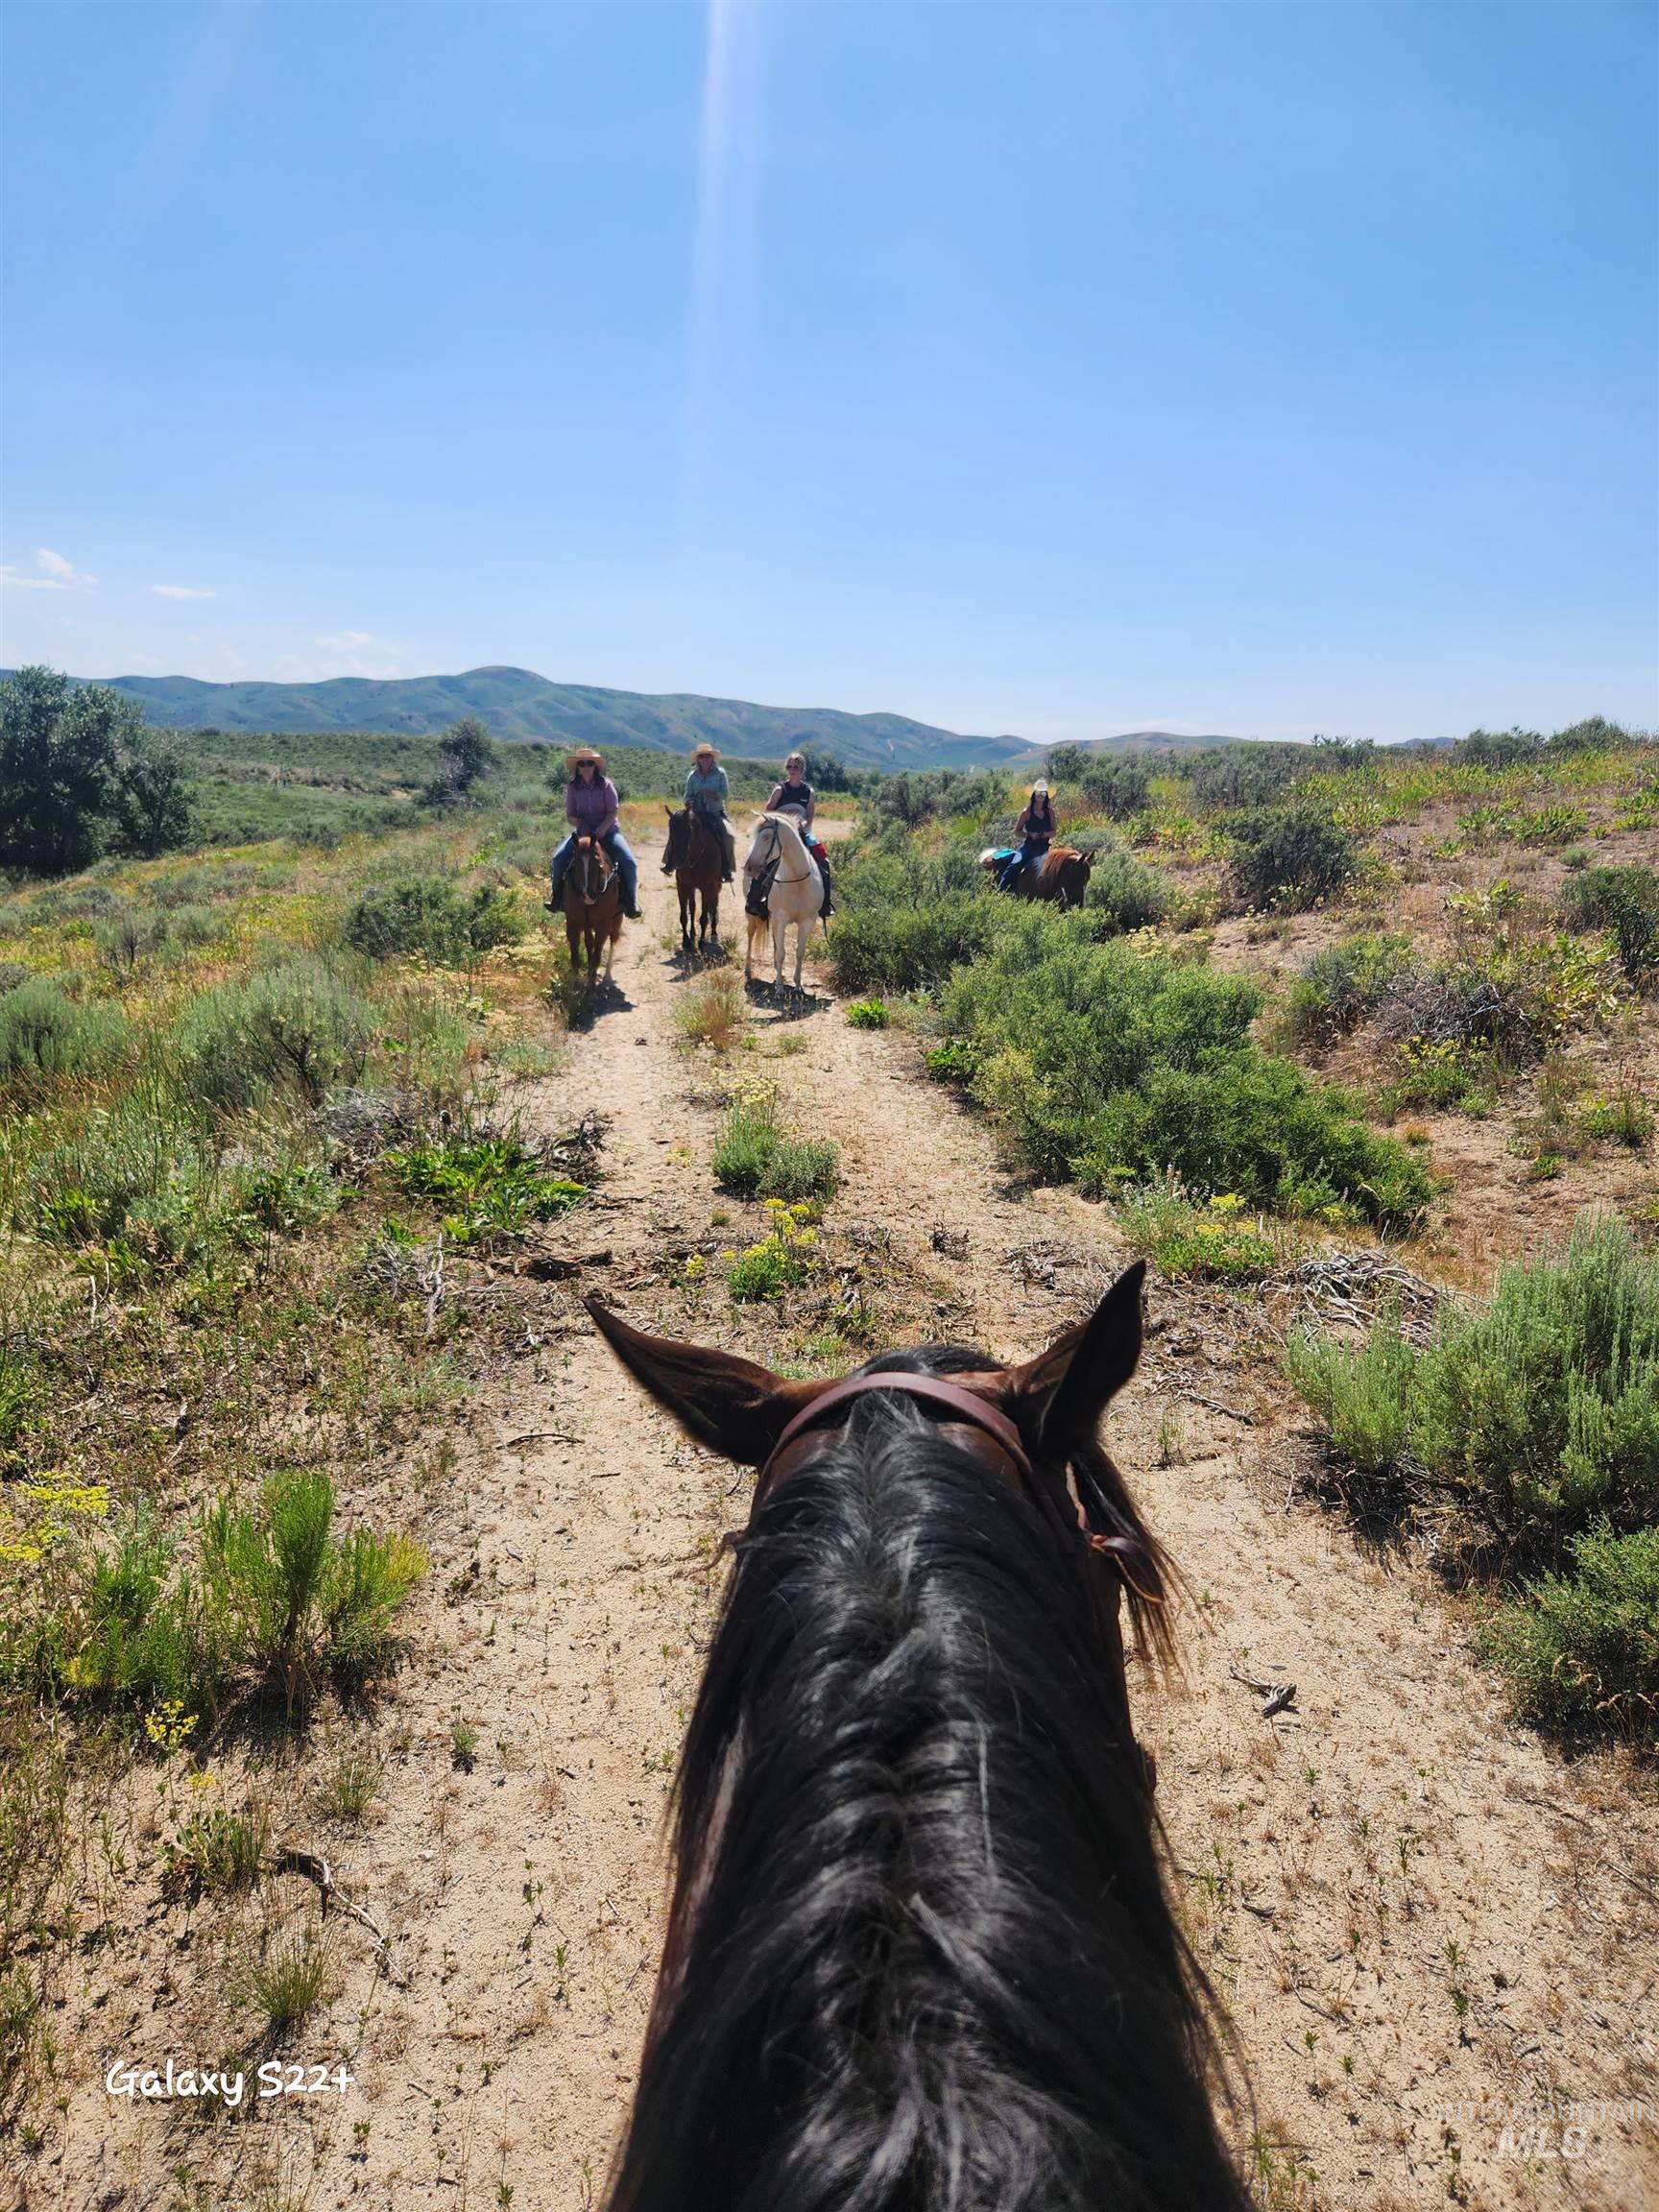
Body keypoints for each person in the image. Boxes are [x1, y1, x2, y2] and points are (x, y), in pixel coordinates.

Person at [549, 747, 641, 919]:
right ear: (577, 767)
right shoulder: (572, 788)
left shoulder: (606, 785)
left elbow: (613, 811)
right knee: (558, 858)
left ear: (595, 767)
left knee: (629, 861)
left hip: (608, 832)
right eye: (582, 764)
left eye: (589, 763)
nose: (585, 767)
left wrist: (602, 828)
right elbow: (570, 815)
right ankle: (556, 898)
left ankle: (631, 901)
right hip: (583, 834)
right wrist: (580, 823)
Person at [765, 751, 832, 917]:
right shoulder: (780, 789)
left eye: (796, 766)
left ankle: (825, 904)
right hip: (780, 834)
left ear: (802, 769)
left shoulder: (808, 792)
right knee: (762, 860)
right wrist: (781, 821)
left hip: (802, 833)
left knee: (823, 861)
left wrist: (804, 824)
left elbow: (810, 815)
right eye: (789, 766)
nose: (792, 769)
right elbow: (768, 810)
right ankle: (756, 900)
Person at [667, 743, 735, 882]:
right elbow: (687, 796)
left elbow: (725, 794)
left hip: (715, 813)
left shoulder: (720, 774)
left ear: (712, 758)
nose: (705, 759)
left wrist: (711, 794)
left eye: (708, 756)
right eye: (702, 756)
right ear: (698, 759)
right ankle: (670, 862)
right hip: (696, 813)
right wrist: (689, 803)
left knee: (728, 836)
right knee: (678, 830)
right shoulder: (692, 776)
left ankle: (725, 868)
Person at [998, 779, 1057, 892]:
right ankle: (1002, 889)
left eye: (1043, 793)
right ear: (1034, 794)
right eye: (1038, 793)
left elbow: (1054, 832)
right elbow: (1017, 832)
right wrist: (1029, 835)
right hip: (1029, 845)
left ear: (1046, 795)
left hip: (1045, 847)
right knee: (1016, 863)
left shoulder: (1050, 812)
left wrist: (1044, 834)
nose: (1040, 796)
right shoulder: (1026, 812)